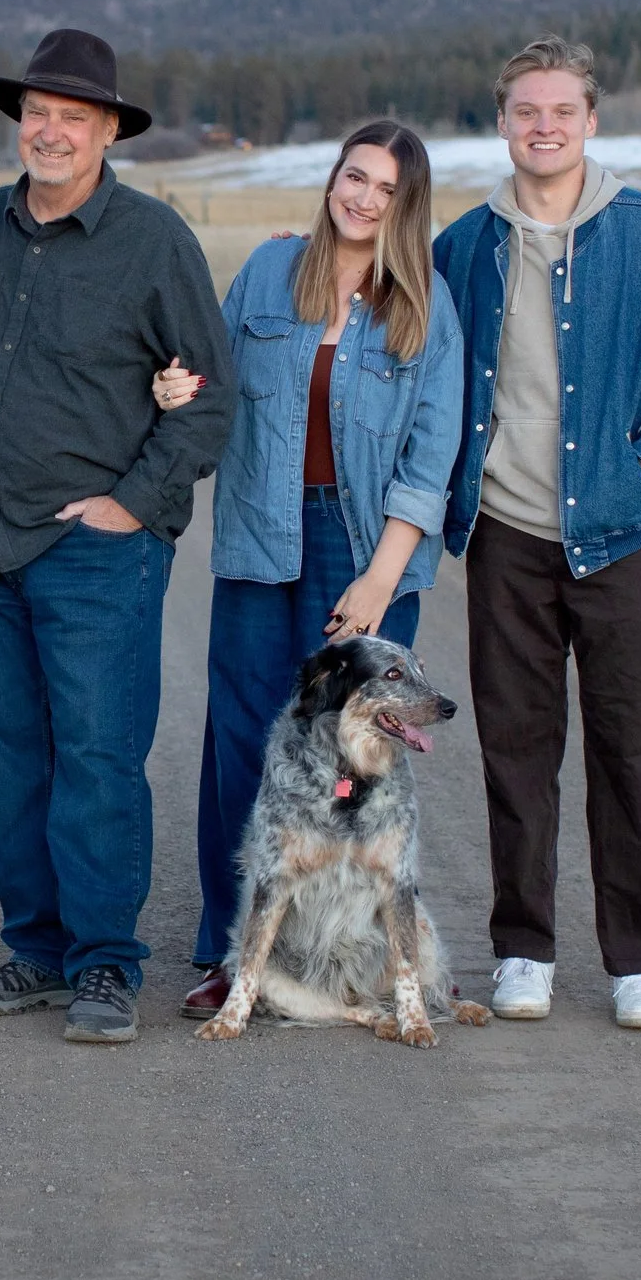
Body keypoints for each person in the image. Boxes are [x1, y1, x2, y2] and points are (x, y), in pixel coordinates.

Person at [434, 36, 641, 1032]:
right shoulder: (462, 247)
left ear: (591, 120)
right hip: (508, 537)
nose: (543, 126)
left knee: (629, 748)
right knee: (516, 750)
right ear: (502, 122)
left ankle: (638, 960)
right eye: (525, 110)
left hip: (622, 536)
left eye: (561, 110)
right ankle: (522, 948)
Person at [0, 29, 233, 1045]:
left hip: (96, 552)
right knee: (17, 754)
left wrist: (132, 501)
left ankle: (104, 963)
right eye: (37, 112)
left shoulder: (153, 241)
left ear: (109, 130)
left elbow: (205, 401)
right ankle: (37, 946)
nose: (50, 131)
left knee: (99, 755)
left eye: (73, 116)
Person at [171, 119, 465, 1021]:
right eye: (353, 176)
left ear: (405, 207)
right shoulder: (268, 273)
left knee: (357, 762)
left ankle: (349, 956)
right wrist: (177, 391)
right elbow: (213, 380)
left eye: (384, 188)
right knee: (243, 746)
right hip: (261, 537)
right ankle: (235, 957)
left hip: (363, 547)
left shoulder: (426, 306)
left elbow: (430, 455)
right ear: (331, 179)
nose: (363, 197)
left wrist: (380, 580)